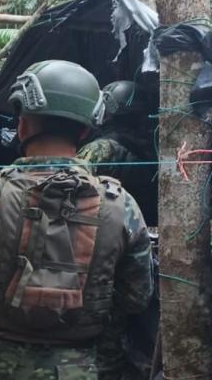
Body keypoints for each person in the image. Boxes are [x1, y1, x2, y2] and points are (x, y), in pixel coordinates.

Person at [0, 60, 153, 379]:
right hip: (79, 364)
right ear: (84, 131)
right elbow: (137, 296)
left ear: (22, 126)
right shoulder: (122, 206)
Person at [77, 80, 155, 380]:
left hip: (101, 240)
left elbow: (65, 186)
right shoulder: (153, 145)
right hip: (144, 243)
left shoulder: (102, 148)